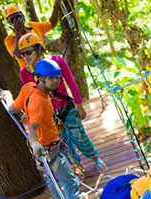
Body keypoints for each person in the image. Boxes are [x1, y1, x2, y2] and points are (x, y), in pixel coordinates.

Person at [8, 59, 97, 199]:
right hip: (49, 149)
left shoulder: (28, 88)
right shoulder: (40, 102)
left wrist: (5, 97)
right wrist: (35, 144)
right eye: (51, 78)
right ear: (40, 78)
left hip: (44, 150)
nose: (56, 82)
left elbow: (12, 108)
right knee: (70, 183)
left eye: (57, 78)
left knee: (52, 180)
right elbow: (33, 128)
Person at [18, 33, 107, 173]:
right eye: (22, 54)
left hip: (65, 106)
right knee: (62, 143)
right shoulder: (25, 73)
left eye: (28, 52)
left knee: (79, 136)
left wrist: (79, 104)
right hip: (48, 114)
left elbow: (71, 82)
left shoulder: (57, 61)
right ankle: (76, 166)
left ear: (38, 48)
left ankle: (95, 158)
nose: (26, 57)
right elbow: (30, 94)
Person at [3, 2, 62, 69]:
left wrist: (56, 5)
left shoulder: (33, 26)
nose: (16, 21)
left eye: (18, 17)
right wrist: (17, 33)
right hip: (30, 74)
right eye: (13, 19)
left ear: (23, 16)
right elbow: (18, 54)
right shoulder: (9, 40)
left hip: (46, 67)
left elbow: (51, 23)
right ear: (9, 23)